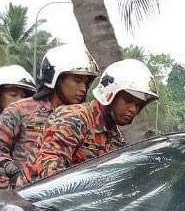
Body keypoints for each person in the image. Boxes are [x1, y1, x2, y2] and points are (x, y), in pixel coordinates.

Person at [19, 58, 158, 186]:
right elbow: (50, 169)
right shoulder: (73, 118)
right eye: (128, 101)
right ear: (110, 94)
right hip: (33, 204)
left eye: (138, 105)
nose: (133, 109)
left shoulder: (114, 137)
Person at [0, 44, 99, 186]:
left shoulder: (88, 118)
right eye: (77, 80)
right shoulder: (20, 110)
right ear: (55, 77)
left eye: (86, 83)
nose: (83, 88)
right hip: (25, 196)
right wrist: (12, 169)